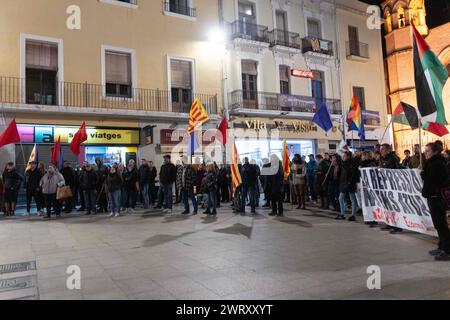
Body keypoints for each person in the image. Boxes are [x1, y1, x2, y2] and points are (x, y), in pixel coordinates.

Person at [422, 142, 450, 261]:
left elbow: (431, 181)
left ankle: (447, 251)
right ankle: (442, 247)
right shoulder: (433, 162)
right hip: (434, 197)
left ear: (435, 151)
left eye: (428, 151)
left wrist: (422, 174)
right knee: (439, 224)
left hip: (436, 197)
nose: (425, 153)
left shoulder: (435, 164)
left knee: (441, 224)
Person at [380, 144, 403, 233]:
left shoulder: (392, 158)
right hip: (386, 185)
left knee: (394, 206)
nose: (381, 151)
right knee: (388, 206)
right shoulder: (384, 159)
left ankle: (398, 226)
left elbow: (395, 170)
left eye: (383, 149)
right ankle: (390, 223)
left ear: (388, 150)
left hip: (393, 186)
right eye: (381, 149)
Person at [337, 151, 358, 221]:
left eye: (344, 156)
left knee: (352, 199)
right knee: (341, 198)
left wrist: (350, 182)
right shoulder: (343, 163)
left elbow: (354, 174)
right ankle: (342, 214)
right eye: (342, 156)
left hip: (349, 183)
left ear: (348, 156)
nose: (342, 157)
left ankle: (353, 215)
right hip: (343, 183)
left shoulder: (352, 163)